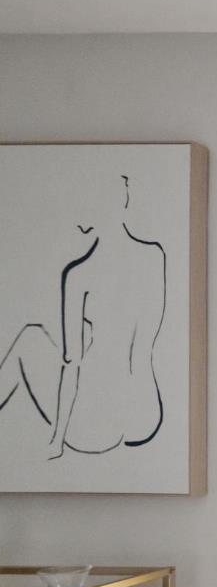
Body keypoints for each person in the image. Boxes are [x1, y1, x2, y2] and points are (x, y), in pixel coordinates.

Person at [0, 175, 165, 458]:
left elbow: (71, 362)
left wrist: (57, 441)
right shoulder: (154, 256)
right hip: (145, 414)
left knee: (30, 338)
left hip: (97, 426)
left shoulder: (79, 275)